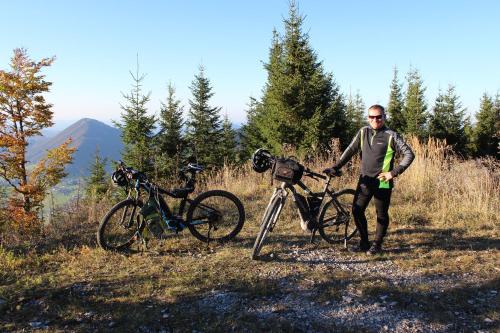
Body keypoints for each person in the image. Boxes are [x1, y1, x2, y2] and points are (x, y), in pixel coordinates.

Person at [323, 104, 414, 255]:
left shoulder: (391, 135)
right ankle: (364, 243)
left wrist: (393, 172)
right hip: (365, 180)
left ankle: (377, 245)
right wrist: (336, 166)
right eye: (372, 117)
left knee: (381, 214)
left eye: (379, 117)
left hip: (383, 181)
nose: (375, 120)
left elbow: (409, 154)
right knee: (357, 210)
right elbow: (350, 150)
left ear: (384, 117)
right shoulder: (363, 132)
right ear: (368, 118)